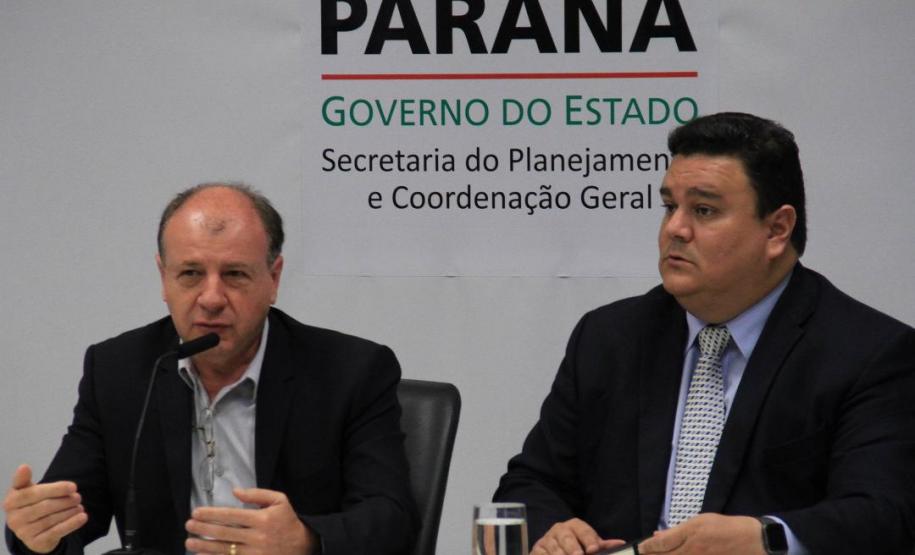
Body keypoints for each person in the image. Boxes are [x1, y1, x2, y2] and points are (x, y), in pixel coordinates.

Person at [493, 112, 915, 555]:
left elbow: (884, 515)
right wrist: (554, 529)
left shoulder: (869, 355)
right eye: (669, 206)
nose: (675, 228)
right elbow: (531, 483)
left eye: (704, 210)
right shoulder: (610, 338)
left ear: (777, 229)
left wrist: (767, 537)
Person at [3, 183, 418, 554]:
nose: (212, 298)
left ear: (273, 279)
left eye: (235, 274)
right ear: (164, 278)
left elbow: (391, 518)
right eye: (191, 274)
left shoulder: (350, 371)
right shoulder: (119, 370)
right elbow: (69, 514)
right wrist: (37, 533)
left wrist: (305, 540)